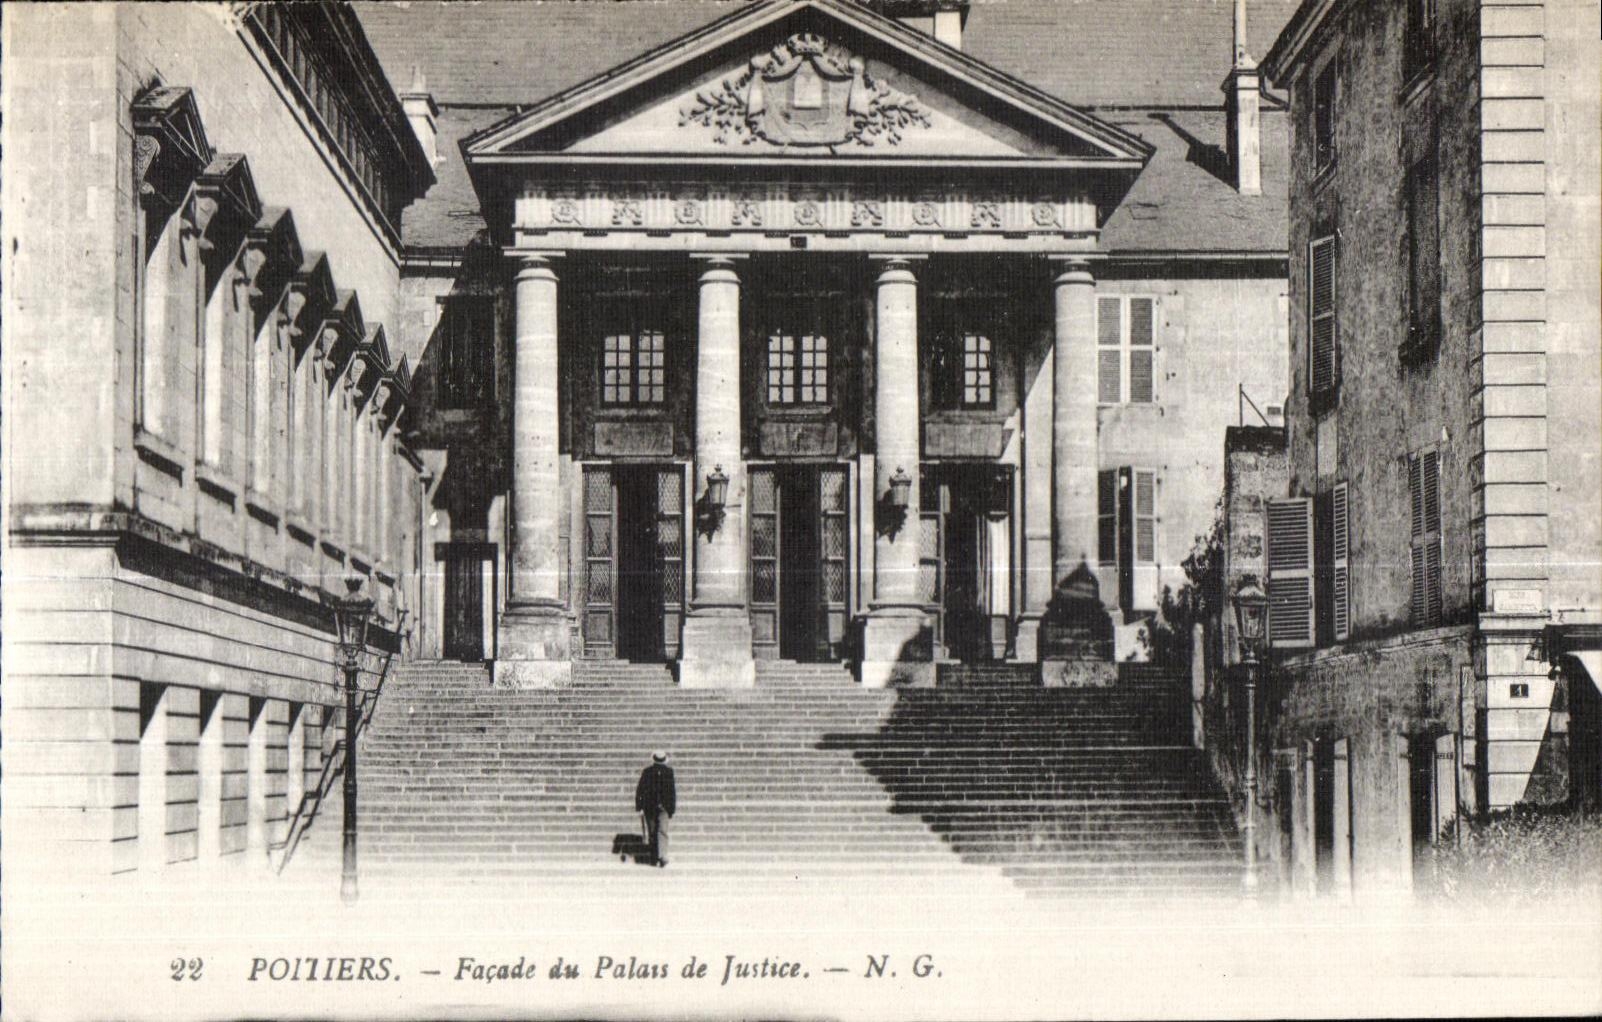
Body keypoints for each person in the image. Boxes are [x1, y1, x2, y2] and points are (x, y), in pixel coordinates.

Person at [634, 751, 676, 868]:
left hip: (652, 807)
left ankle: (659, 856)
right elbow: (672, 793)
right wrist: (671, 809)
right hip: (659, 807)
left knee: (654, 832)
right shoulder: (654, 772)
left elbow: (639, 791)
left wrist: (639, 807)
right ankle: (659, 856)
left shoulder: (661, 772)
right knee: (660, 831)